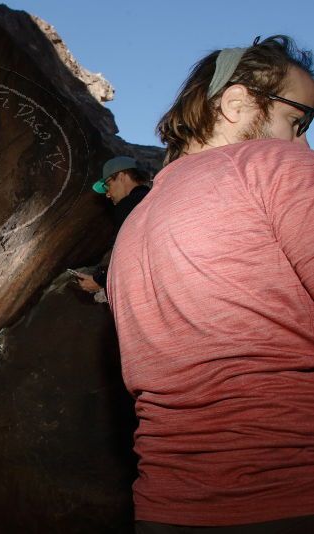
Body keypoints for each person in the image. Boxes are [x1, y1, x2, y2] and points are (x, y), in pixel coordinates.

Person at [107, 35, 314, 533]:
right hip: (294, 490)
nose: (303, 143)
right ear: (237, 102)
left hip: (169, 507)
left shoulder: (134, 228)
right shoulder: (275, 166)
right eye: (298, 121)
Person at [75, 156, 150, 295]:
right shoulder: (152, 197)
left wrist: (100, 280)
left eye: (107, 185)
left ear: (122, 176)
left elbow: (128, 258)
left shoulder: (128, 206)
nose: (108, 194)